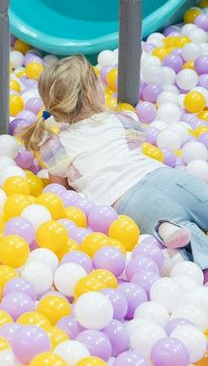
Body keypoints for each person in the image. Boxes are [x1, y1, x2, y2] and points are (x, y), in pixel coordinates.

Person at [21, 54, 208, 276]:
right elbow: (137, 143)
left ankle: (167, 227)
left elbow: (60, 191)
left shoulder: (56, 145)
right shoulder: (122, 118)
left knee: (177, 229)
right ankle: (171, 224)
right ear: (90, 95)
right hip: (163, 176)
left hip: (128, 202)